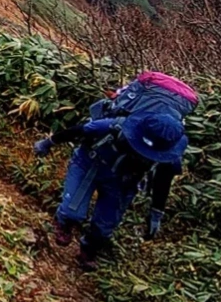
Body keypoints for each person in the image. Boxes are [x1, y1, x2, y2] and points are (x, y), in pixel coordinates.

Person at [33, 72, 197, 269]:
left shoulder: (170, 155)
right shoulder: (118, 126)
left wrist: (156, 214)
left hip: (124, 180)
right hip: (91, 163)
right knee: (72, 211)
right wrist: (48, 142)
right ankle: (65, 224)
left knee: (104, 227)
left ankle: (88, 251)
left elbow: (163, 182)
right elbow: (83, 130)